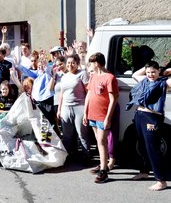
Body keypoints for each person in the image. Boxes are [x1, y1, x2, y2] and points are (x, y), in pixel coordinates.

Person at [127, 61, 171, 191]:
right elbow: (135, 74)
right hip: (140, 115)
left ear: (159, 71)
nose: (151, 75)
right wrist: (146, 66)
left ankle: (161, 180)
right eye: (148, 72)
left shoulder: (164, 82)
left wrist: (169, 70)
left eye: (153, 72)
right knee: (142, 146)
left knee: (153, 148)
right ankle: (144, 172)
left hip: (152, 117)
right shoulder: (144, 80)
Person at [83, 52, 119, 184]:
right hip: (92, 114)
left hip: (102, 115)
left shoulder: (109, 78)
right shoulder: (93, 77)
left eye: (91, 63)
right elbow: (89, 94)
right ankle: (102, 164)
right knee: (99, 141)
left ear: (96, 63)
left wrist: (108, 118)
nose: (90, 66)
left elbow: (113, 99)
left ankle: (104, 170)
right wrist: (85, 112)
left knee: (102, 141)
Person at [57, 54, 90, 162]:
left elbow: (88, 92)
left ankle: (86, 156)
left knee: (82, 134)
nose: (70, 65)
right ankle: (66, 157)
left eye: (72, 63)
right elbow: (61, 94)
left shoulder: (82, 74)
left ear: (77, 63)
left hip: (79, 106)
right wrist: (59, 109)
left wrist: (86, 109)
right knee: (67, 135)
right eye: (68, 63)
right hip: (66, 107)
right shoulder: (64, 76)